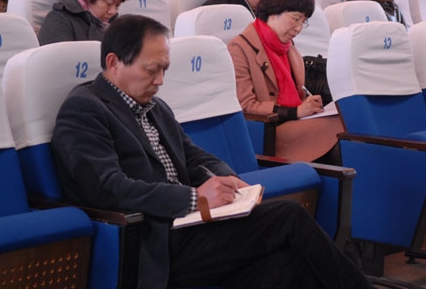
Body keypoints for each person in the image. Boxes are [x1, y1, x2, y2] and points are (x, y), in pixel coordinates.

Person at [51, 14, 371, 288]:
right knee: (289, 217)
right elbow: (107, 188)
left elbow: (193, 156)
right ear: (113, 63)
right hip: (153, 238)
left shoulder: (155, 106)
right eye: (151, 70)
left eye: (165, 69)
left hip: (191, 226)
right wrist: (194, 198)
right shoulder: (85, 109)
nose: (160, 80)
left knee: (287, 263)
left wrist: (229, 180)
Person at [228, 0, 344, 162]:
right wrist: (295, 111)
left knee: (347, 126)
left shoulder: (288, 45)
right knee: (342, 140)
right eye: (295, 19)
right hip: (268, 131)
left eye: (303, 22)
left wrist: (308, 104)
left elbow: (298, 93)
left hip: (297, 122)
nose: (298, 28)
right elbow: (247, 106)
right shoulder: (239, 48)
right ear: (273, 11)